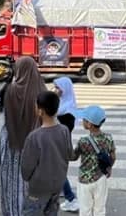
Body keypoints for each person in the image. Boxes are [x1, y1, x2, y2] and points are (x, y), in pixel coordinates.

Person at [0, 56, 47, 216]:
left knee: (12, 181)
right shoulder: (42, 91)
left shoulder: (8, 89)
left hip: (12, 143)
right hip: (36, 145)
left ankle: (12, 211)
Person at [21, 91, 73, 216]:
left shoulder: (34, 137)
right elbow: (69, 154)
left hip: (38, 187)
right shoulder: (64, 130)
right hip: (57, 184)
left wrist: (27, 178)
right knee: (51, 211)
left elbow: (27, 167)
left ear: (40, 111)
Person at [71, 105, 116, 216]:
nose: (82, 122)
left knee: (85, 210)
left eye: (84, 120)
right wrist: (109, 167)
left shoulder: (83, 141)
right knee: (99, 209)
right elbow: (113, 156)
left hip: (84, 180)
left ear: (89, 124)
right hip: (101, 178)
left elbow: (73, 157)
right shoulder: (108, 138)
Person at [53, 77, 80, 212]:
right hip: (57, 142)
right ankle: (65, 193)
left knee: (58, 172)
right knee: (58, 172)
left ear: (65, 89)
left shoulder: (67, 109)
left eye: (58, 88)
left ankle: (71, 198)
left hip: (60, 144)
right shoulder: (62, 104)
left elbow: (63, 127)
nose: (55, 90)